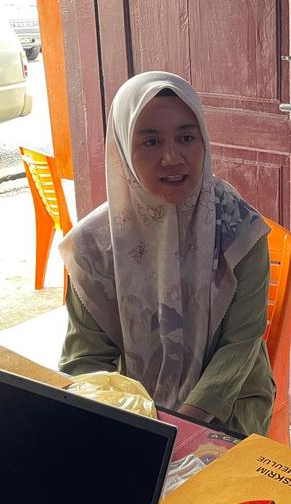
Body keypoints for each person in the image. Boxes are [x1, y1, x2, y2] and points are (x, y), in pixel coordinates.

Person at [58, 71, 274, 437]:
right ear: (125, 149)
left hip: (230, 402)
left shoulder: (240, 232)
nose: (172, 157)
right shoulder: (95, 245)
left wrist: (179, 427)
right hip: (136, 407)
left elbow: (240, 345)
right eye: (151, 141)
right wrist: (125, 418)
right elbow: (84, 360)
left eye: (186, 138)